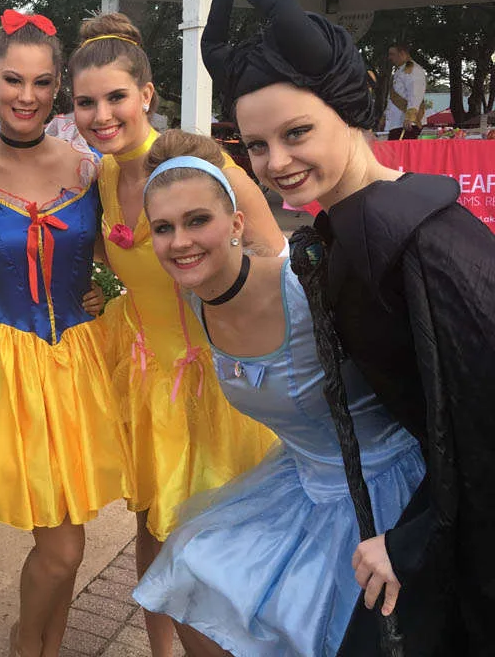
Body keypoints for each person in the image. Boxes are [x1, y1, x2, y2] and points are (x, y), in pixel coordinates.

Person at [203, 0, 495, 654]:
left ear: (349, 108)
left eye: (297, 132)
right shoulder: (355, 226)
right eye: (257, 145)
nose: (277, 162)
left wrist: (415, 538)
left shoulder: (417, 241)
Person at [133, 153, 424, 657]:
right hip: (302, 482)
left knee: (324, 631)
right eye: (163, 228)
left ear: (236, 224)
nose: (179, 241)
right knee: (189, 567)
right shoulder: (198, 300)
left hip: (388, 487)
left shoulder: (309, 287)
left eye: (197, 220)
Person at [68, 13, 281, 655]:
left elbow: (274, 257)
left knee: (216, 540)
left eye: (115, 97)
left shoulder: (204, 166)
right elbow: (115, 254)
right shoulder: (104, 176)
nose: (101, 115)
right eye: (85, 102)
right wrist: (95, 290)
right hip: (143, 375)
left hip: (217, 381)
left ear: (146, 94)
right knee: (154, 525)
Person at [0, 9, 130, 657]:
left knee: (70, 539)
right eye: (13, 80)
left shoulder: (90, 170)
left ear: (58, 84)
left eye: (40, 82)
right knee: (61, 548)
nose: (26, 96)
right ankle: (25, 644)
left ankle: (43, 647)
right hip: (7, 365)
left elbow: (122, 253)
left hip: (77, 364)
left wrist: (108, 291)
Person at [383, 43, 426, 140]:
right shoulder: (401, 70)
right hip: (397, 123)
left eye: (392, 54)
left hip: (406, 123)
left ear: (402, 53)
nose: (389, 58)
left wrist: (410, 117)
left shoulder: (412, 69)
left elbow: (415, 94)